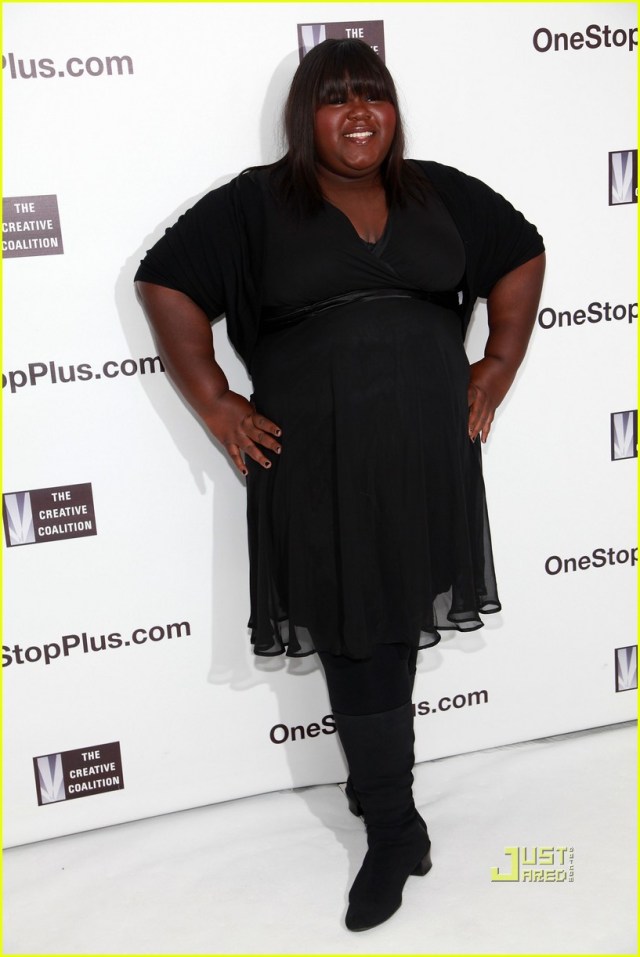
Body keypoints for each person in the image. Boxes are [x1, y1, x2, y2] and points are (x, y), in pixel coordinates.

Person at [135, 38, 545, 932]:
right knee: (359, 632)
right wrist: (214, 400)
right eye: (336, 99)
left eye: (374, 96)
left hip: (425, 452)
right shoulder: (256, 203)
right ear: (305, 117)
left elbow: (520, 251)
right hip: (315, 457)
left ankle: (381, 805)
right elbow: (164, 282)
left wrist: (499, 362)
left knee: (389, 622)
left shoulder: (437, 191)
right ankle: (396, 830)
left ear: (393, 110)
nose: (358, 114)